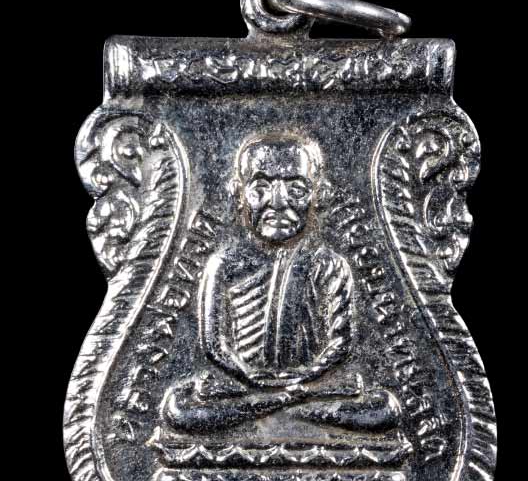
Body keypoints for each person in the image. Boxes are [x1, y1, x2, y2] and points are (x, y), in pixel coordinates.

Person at [162, 132, 401, 432]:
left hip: (309, 388)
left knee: (383, 409)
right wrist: (249, 376)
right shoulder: (224, 265)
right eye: (260, 188)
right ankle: (285, 408)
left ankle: (276, 407)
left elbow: (340, 344)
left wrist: (304, 378)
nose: (277, 202)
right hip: (246, 387)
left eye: (296, 189)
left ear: (318, 195)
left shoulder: (330, 264)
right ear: (238, 193)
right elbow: (215, 345)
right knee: (181, 409)